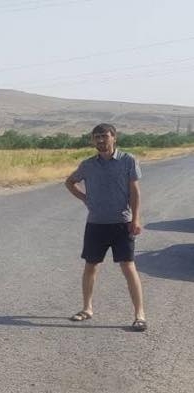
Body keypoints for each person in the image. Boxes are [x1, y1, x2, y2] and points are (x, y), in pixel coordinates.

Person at [64, 123, 147, 332]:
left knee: (128, 267)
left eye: (104, 136)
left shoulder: (128, 160)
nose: (100, 140)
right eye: (97, 137)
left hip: (122, 223)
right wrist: (85, 198)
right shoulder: (88, 165)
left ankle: (139, 315)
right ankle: (87, 308)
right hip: (96, 224)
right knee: (91, 266)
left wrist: (136, 219)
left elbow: (135, 192)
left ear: (114, 137)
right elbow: (70, 182)